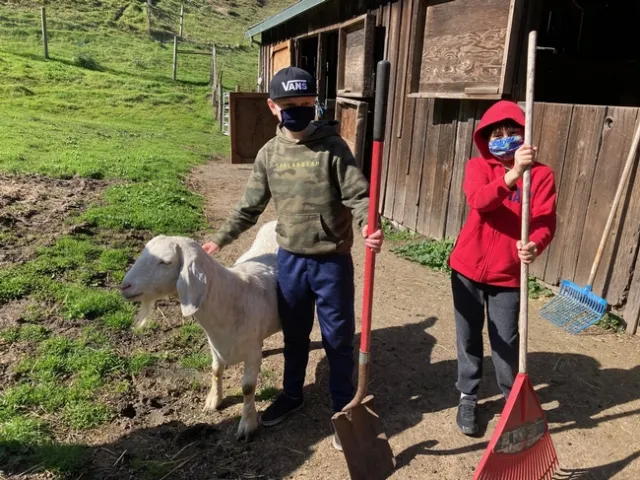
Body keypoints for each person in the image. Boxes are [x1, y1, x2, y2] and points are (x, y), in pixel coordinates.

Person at [202, 66, 383, 449]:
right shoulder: (269, 154)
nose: (298, 110)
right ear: (273, 107)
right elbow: (249, 207)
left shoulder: (334, 148)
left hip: (331, 261)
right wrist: (218, 240)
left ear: (314, 103)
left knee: (336, 337)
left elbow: (358, 196)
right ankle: (293, 393)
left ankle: (341, 406)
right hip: (290, 262)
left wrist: (369, 223)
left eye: (305, 103)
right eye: (289, 105)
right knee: (295, 333)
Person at [447, 100, 557, 436]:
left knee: (506, 341)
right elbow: (479, 201)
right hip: (467, 269)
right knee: (468, 337)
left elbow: (545, 222)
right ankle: (468, 395)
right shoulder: (478, 167)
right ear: (486, 138)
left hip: (509, 276)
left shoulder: (541, 175)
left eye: (513, 132)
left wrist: (534, 244)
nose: (505, 138)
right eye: (497, 134)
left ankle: (512, 402)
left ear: (525, 136)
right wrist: (512, 175)